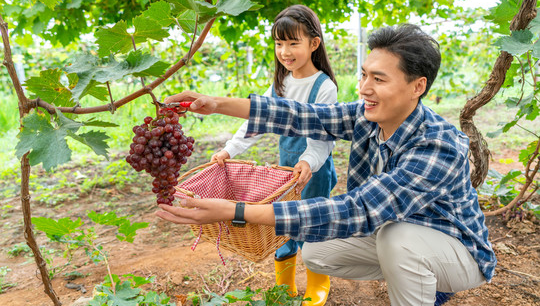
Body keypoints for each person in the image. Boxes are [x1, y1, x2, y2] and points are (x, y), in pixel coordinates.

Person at [158, 24, 497, 306]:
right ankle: (412, 270)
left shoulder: (438, 145)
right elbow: (300, 115)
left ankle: (430, 282)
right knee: (319, 251)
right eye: (364, 75)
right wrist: (215, 103)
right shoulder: (367, 117)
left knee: (398, 239)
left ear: (417, 86)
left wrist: (236, 210)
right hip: (398, 233)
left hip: (458, 251)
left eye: (379, 80)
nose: (364, 88)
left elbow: (357, 210)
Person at [211, 5, 339, 305]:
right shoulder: (280, 85)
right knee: (282, 225)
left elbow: (322, 138)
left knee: (311, 224)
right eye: (279, 44)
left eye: (293, 43)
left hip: (314, 171)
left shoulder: (324, 87)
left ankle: (319, 282)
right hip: (285, 172)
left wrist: (308, 161)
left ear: (314, 44)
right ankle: (285, 285)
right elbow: (256, 121)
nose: (285, 51)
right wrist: (230, 149)